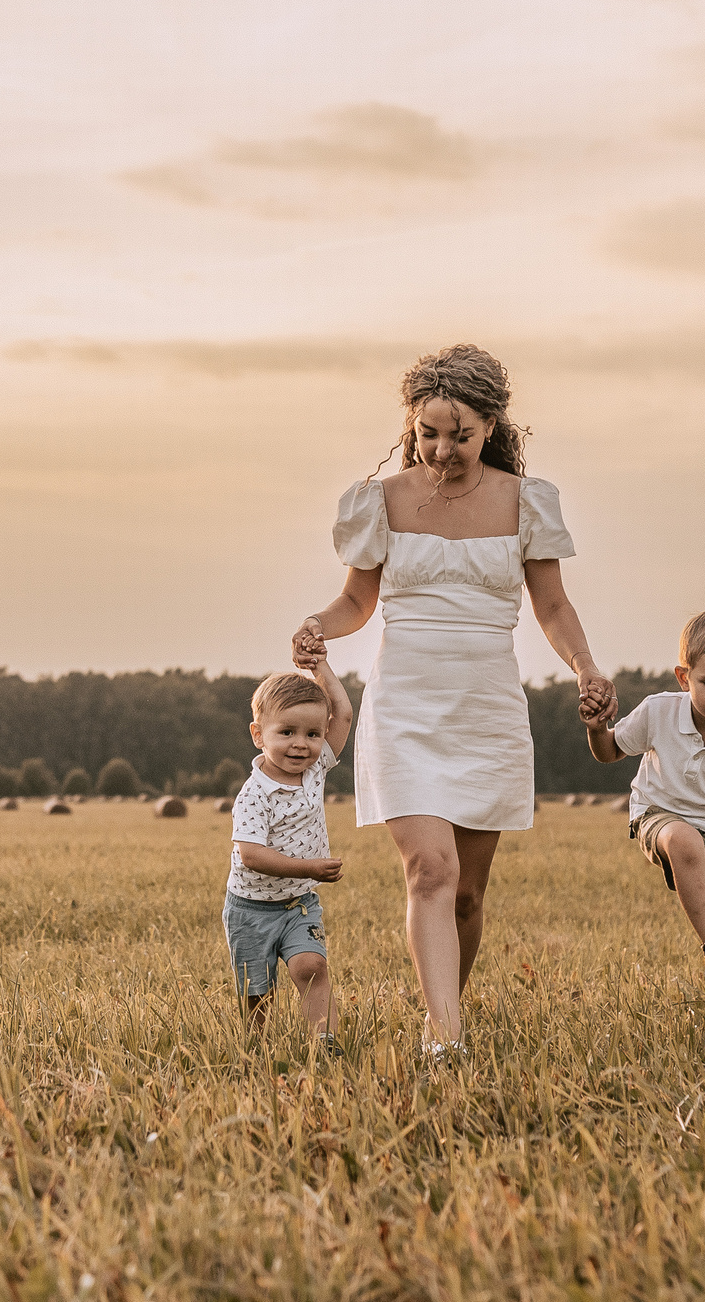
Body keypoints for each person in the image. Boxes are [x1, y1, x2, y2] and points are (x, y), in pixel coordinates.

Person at [293, 344, 611, 1056]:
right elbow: (356, 601)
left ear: (491, 424)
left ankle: (445, 1009)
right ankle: (445, 1041)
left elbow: (553, 605)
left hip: (487, 709)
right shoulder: (381, 501)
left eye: (459, 435)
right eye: (428, 433)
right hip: (405, 702)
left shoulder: (526, 501)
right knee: (429, 869)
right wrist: (320, 626)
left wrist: (585, 666)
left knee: (467, 892)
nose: (440, 451)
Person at [583, 609, 705, 1027]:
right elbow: (610, 752)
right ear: (684, 677)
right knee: (683, 839)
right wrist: (598, 730)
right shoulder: (657, 712)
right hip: (657, 814)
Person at [225, 653, 354, 1049]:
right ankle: (255, 1048)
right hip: (251, 908)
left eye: (313, 735)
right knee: (257, 994)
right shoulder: (253, 796)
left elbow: (344, 713)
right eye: (287, 732)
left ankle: (326, 1043)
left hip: (298, 904)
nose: (301, 744)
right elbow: (252, 855)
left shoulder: (314, 772)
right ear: (258, 735)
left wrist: (320, 668)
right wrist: (310, 868)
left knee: (312, 966)